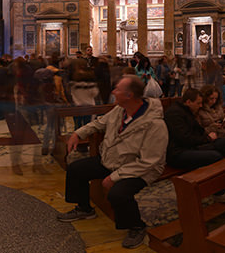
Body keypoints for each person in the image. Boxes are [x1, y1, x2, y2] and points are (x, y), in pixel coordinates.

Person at [55, 75, 168, 250]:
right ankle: (85, 209)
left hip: (139, 170)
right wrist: (78, 133)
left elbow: (149, 162)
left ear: (129, 95)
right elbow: (99, 123)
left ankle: (137, 226)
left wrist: (116, 176)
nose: (113, 91)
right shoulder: (120, 110)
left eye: (117, 89)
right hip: (111, 160)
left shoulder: (154, 124)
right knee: (77, 169)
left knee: (118, 193)